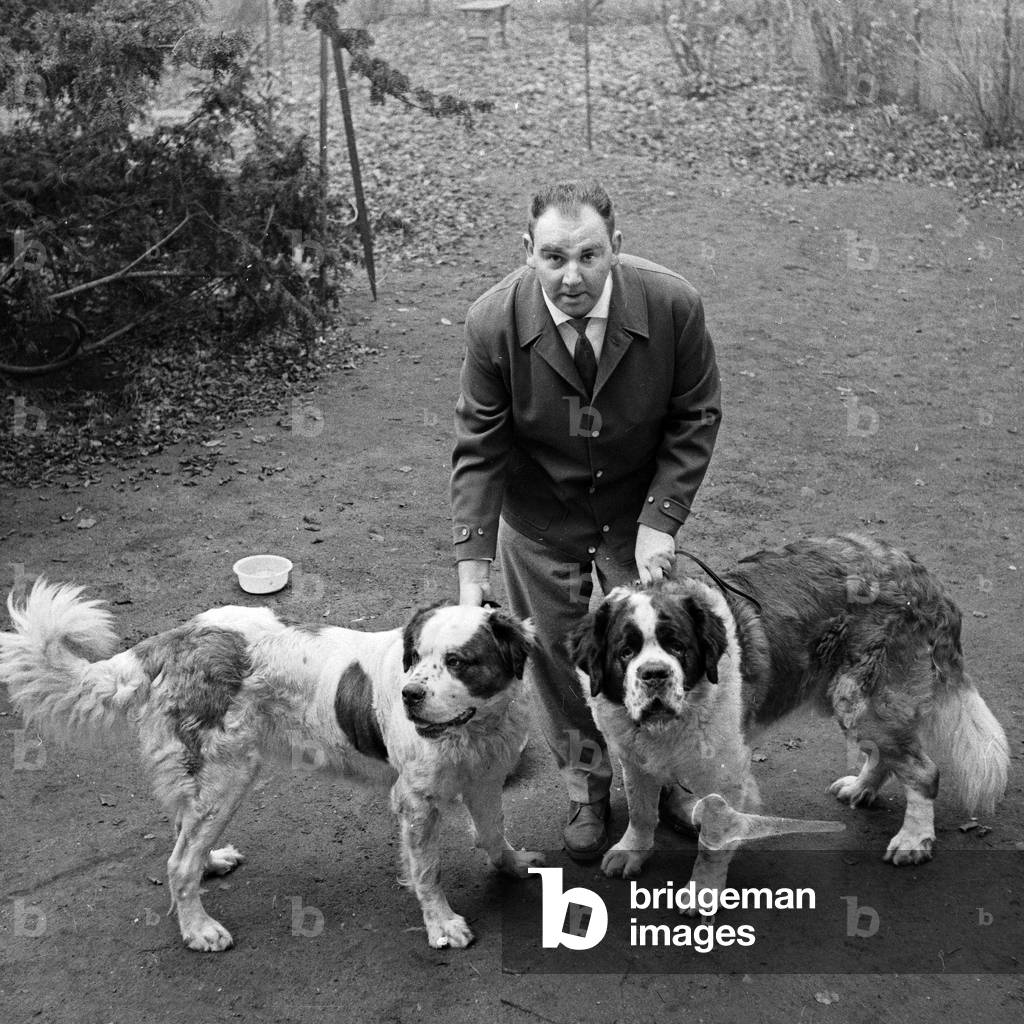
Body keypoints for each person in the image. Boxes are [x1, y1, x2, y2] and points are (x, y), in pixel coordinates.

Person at [450, 179, 721, 859]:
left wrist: (662, 518)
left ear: (616, 248)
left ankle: (671, 784)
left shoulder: (673, 305)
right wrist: (472, 568)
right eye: (553, 258)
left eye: (589, 257)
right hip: (540, 515)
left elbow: (696, 415)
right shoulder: (491, 322)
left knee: (661, 643)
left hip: (636, 512)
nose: (572, 277)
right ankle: (587, 787)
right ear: (528, 252)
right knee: (562, 659)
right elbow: (480, 447)